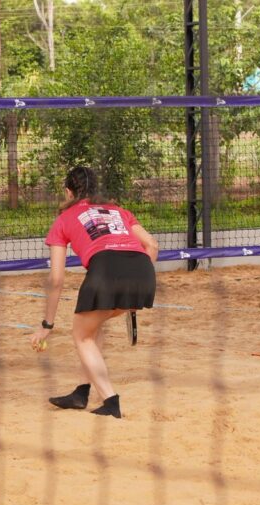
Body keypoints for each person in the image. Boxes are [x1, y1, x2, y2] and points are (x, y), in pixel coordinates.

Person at [30, 166, 159, 418]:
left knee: (81, 336)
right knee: (92, 326)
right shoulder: (118, 210)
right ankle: (81, 393)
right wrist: (134, 286)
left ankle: (110, 401)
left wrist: (47, 325)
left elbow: (56, 280)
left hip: (106, 270)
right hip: (144, 273)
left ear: (68, 192)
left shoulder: (64, 218)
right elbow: (152, 245)